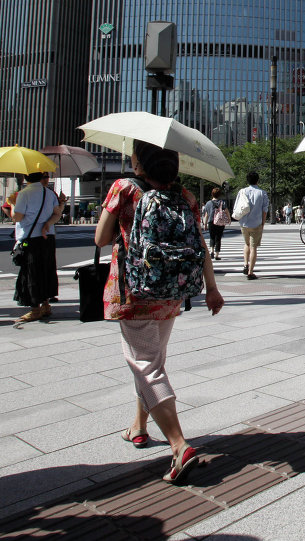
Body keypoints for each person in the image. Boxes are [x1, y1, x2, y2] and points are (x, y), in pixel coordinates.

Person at [95, 140, 224, 484]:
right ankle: (138, 426)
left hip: (134, 291)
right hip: (171, 293)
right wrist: (211, 289)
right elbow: (200, 244)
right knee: (153, 362)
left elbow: (100, 237)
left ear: (139, 162)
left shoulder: (124, 188)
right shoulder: (186, 196)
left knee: (146, 365)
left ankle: (180, 446)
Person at [7, 172, 62, 323]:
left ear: (25, 178)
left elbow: (17, 217)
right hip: (48, 237)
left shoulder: (24, 194)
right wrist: (47, 225)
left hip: (30, 238)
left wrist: (12, 204)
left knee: (31, 272)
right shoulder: (49, 193)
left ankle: (35, 309)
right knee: (46, 270)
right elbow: (57, 214)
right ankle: (46, 304)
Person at [235, 171, 268, 279]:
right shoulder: (262, 193)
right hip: (256, 223)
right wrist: (263, 223)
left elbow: (237, 205)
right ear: (257, 180)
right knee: (253, 247)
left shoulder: (242, 191)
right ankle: (250, 272)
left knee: (247, 244)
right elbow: (264, 210)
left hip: (244, 223)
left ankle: (245, 264)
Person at [201, 186, 227, 260]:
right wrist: (228, 219)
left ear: (212, 194)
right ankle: (217, 254)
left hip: (211, 222)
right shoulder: (222, 202)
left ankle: (211, 251)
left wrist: (205, 224)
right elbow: (226, 211)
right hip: (220, 222)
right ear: (219, 194)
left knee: (212, 237)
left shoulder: (208, 203)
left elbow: (206, 215)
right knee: (218, 238)